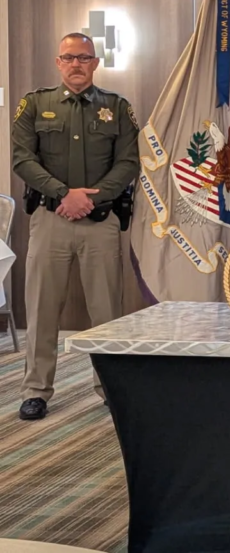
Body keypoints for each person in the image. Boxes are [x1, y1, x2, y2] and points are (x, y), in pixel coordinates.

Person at [11, 32, 140, 421]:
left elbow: (129, 163)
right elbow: (22, 159)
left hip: (100, 222)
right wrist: (64, 194)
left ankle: (110, 388)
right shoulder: (35, 104)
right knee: (42, 308)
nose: (76, 64)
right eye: (69, 58)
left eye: (84, 58)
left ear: (95, 63)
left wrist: (91, 198)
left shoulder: (117, 107)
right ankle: (36, 390)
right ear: (58, 62)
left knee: (107, 310)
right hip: (50, 219)